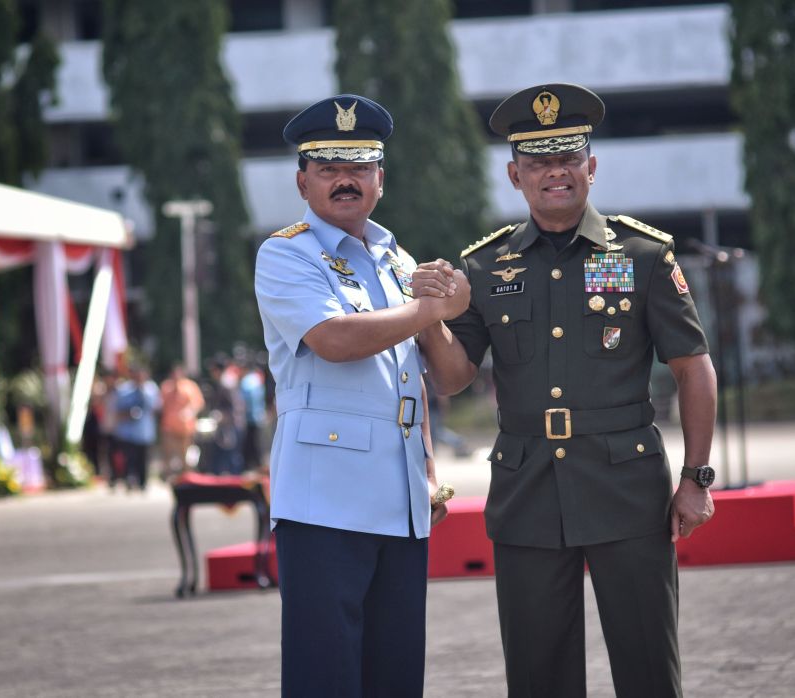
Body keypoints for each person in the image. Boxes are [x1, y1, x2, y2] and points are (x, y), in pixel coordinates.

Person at [414, 83, 718, 697]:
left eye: (567, 158)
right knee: (537, 672)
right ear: (514, 174)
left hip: (626, 489)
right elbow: (453, 376)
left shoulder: (641, 255)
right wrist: (429, 317)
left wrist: (696, 477)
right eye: (537, 162)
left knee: (647, 664)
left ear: (591, 166)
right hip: (526, 492)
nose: (555, 172)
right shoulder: (485, 267)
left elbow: (694, 368)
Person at [253, 93, 468, 698]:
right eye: (328, 169)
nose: (344, 181)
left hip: (400, 499)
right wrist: (429, 306)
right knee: (327, 672)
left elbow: (430, 380)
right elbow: (334, 340)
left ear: (380, 178)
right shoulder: (286, 254)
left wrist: (428, 472)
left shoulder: (398, 260)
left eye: (359, 168)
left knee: (395, 672)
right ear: (303, 182)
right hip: (324, 498)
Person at [112, 362, 160, 491]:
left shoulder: (151, 389)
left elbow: (156, 407)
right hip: (128, 432)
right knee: (129, 459)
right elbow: (117, 410)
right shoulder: (124, 389)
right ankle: (129, 481)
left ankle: (143, 483)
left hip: (145, 431)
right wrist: (128, 413)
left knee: (143, 459)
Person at [159, 363, 205, 480]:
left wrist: (189, 412)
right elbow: (160, 405)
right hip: (169, 428)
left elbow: (198, 403)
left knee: (186, 456)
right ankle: (169, 478)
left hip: (186, 429)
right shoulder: (166, 387)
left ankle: (186, 477)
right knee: (169, 456)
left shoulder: (190, 387)